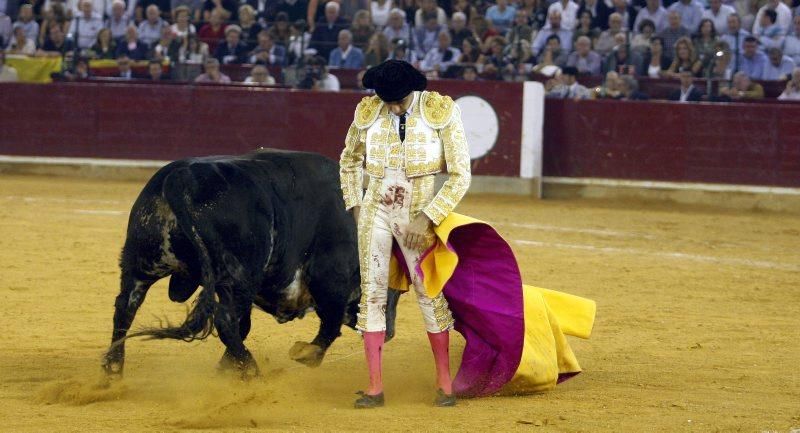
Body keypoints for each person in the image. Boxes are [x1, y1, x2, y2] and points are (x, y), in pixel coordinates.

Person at [339, 59, 471, 409]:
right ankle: (374, 387)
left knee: (429, 293)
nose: (393, 107)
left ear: (412, 91)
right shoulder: (368, 110)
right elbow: (349, 160)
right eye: (388, 101)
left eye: (398, 100)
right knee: (372, 293)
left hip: (419, 206)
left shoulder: (440, 110)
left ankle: (444, 384)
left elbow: (461, 174)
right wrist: (356, 208)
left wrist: (427, 218)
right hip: (375, 206)